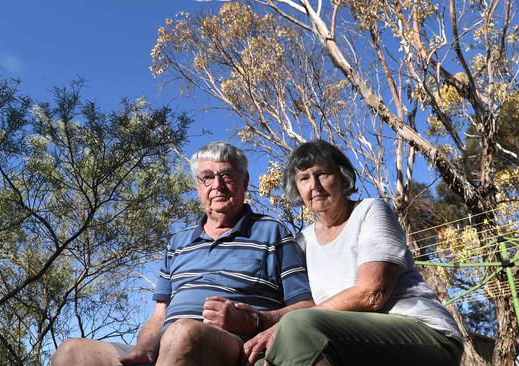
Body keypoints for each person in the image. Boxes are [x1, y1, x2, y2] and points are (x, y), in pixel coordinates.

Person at [51, 141, 314, 366]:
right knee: (72, 353)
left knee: (183, 334)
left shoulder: (271, 231)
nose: (217, 185)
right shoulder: (179, 241)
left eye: (228, 176)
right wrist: (143, 349)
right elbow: (159, 315)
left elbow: (304, 306)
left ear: (244, 181)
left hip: (232, 344)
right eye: (207, 177)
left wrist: (251, 320)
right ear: (198, 186)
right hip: (166, 348)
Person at [243, 140, 463, 366]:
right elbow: (301, 304)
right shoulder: (302, 242)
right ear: (297, 189)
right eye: (304, 178)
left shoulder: (370, 210)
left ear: (342, 176)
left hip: (423, 331)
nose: (315, 185)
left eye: (323, 174)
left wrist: (285, 326)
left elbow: (372, 293)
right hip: (348, 341)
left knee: (296, 326)